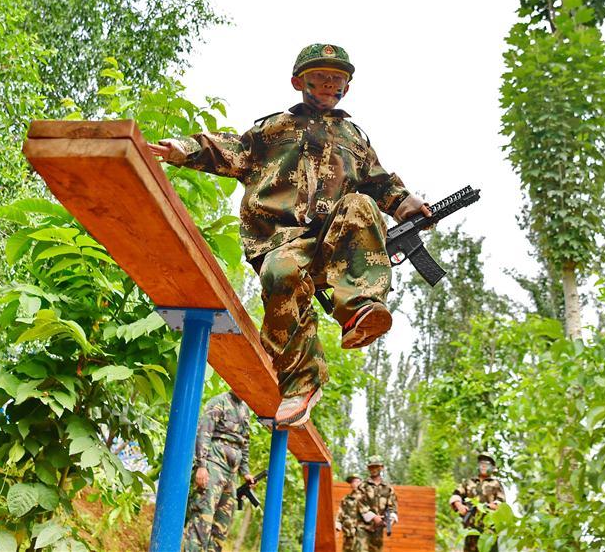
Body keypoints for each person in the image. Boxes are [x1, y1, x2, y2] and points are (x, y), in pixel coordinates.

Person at [149, 44, 430, 428]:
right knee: (279, 275)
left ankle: (360, 308)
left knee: (360, 204)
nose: (330, 84)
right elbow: (232, 149)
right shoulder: (274, 129)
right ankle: (302, 383)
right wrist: (183, 149)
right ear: (300, 82)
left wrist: (405, 203)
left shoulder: (355, 139)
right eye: (321, 77)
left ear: (347, 86)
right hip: (281, 239)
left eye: (338, 78)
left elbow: (380, 184)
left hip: (335, 241)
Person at [183, 390, 254, 551]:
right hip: (213, 465)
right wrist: (201, 465)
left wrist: (245, 471)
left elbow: (245, 442)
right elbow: (203, 433)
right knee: (203, 518)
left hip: (232, 473)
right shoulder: (219, 401)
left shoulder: (245, 409)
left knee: (222, 524)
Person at [449, 452, 506, 552]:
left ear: (492, 467)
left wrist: (486, 507)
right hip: (471, 529)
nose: (483, 465)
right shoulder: (468, 482)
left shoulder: (496, 484)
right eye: (481, 462)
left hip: (489, 529)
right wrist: (459, 505)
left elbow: (501, 503)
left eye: (487, 463)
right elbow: (456, 494)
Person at [355, 455, 398, 552]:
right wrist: (373, 517)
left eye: (376, 466)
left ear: (381, 467)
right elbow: (360, 504)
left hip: (378, 529)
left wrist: (391, 519)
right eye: (371, 467)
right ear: (368, 468)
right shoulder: (363, 486)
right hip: (363, 527)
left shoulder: (388, 488)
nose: (373, 469)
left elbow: (392, 507)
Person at [336, 473, 363, 552]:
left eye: (356, 481)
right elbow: (340, 514)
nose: (354, 483)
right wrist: (337, 527)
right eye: (352, 482)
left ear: (361, 482)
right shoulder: (346, 499)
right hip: (349, 535)